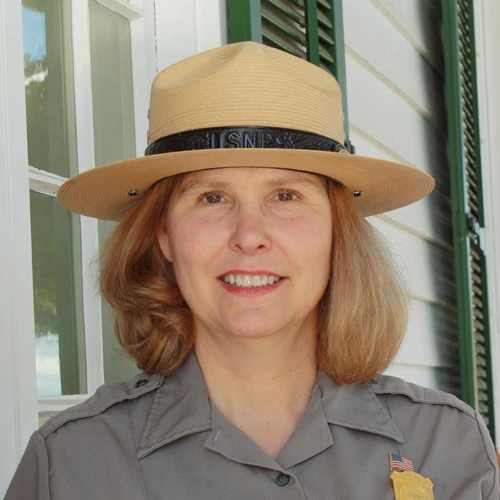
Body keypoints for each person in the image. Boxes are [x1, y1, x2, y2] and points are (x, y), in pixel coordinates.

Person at [5, 41, 499, 500]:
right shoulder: (68, 464)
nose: (249, 234)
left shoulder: (448, 447)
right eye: (212, 197)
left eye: (286, 195)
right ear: (163, 236)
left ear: (336, 232)